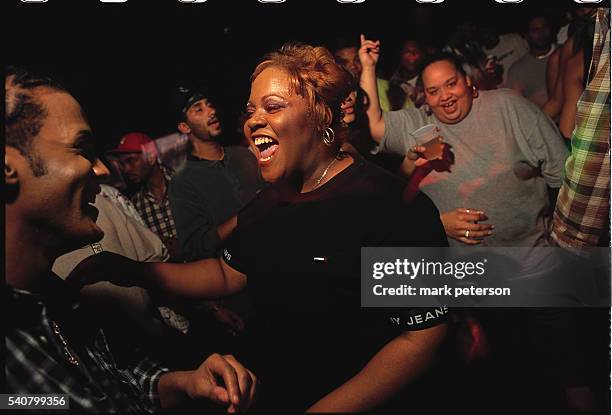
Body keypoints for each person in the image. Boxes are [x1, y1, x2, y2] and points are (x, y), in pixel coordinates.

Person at [72, 43, 450, 413]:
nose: (253, 120)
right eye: (251, 110)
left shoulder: (389, 205)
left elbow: (420, 338)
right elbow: (225, 273)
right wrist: (127, 270)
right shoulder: (269, 203)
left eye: (273, 107)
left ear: (321, 116)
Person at [5, 66, 257, 414]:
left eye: (272, 107)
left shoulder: (60, 303)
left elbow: (120, 383)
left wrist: (186, 382)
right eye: (80, 150)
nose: (104, 171)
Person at [359, 35, 568, 247]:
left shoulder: (508, 107)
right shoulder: (419, 124)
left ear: (467, 80)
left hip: (531, 258)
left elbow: (563, 174)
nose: (444, 96)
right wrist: (368, 67)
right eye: (433, 91)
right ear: (426, 96)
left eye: (451, 84)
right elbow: (373, 123)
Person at [168, 86, 262, 262]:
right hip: (237, 274)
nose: (211, 111)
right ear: (184, 126)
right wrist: (243, 218)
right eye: (199, 109)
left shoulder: (243, 155)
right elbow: (195, 246)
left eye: (209, 105)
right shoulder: (182, 182)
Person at [108, 132, 181, 260]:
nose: (126, 169)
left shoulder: (184, 184)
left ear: (151, 157)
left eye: (131, 161)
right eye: (122, 164)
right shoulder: (133, 205)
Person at [507, 12, 557, 108]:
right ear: (526, 36)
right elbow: (517, 106)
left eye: (544, 28)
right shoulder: (517, 70)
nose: (541, 33)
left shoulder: (565, 55)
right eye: (535, 30)